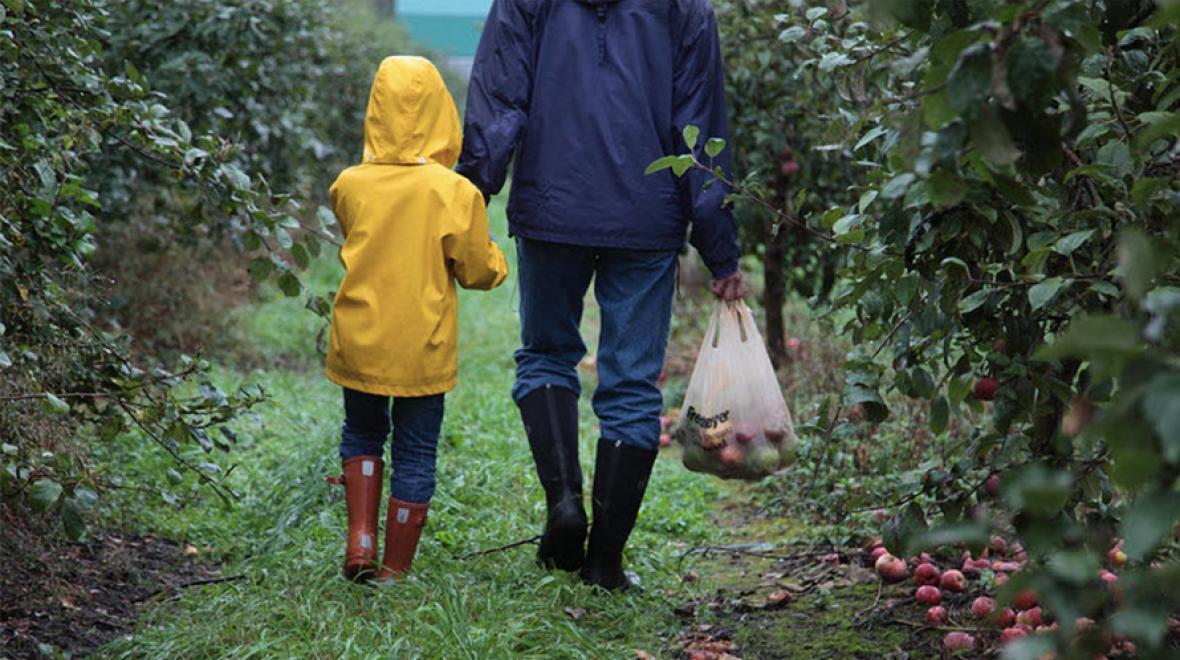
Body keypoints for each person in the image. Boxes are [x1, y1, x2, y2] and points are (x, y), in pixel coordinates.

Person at [458, 0, 743, 591]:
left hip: (549, 208)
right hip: (647, 217)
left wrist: (469, 197)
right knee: (633, 383)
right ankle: (605, 561)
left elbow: (500, 100)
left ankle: (564, 503)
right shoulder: (684, 8)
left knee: (544, 354)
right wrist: (720, 246)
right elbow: (700, 124)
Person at [325, 56, 508, 582]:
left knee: (361, 433)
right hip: (421, 347)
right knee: (416, 450)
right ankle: (394, 571)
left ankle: (360, 540)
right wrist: (496, 260)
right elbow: (475, 270)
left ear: (376, 110)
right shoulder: (454, 193)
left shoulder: (349, 184)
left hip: (359, 336)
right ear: (439, 113)